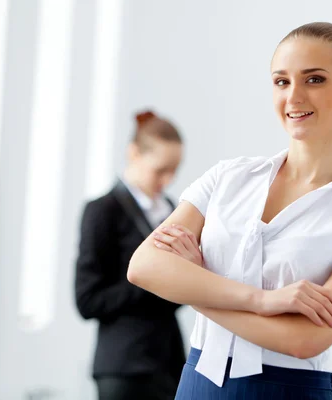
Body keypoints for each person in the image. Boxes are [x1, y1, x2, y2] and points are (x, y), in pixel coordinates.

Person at [127, 22, 332, 399]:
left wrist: (193, 282)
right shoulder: (228, 178)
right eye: (281, 81)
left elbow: (307, 339)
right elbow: (143, 267)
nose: (294, 97)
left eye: (314, 80)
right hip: (198, 386)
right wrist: (264, 301)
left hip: (290, 391)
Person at [74, 110, 185, 400]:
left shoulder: (171, 208)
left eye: (174, 170)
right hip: (124, 367)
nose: (168, 179)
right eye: (160, 170)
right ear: (134, 153)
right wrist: (154, 281)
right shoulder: (103, 211)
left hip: (169, 363)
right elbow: (87, 300)